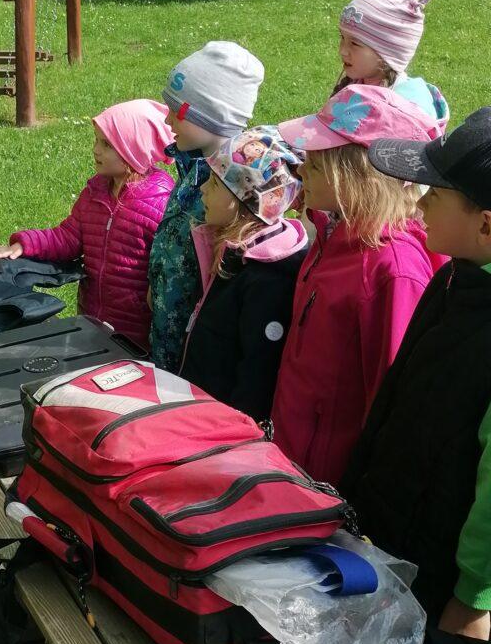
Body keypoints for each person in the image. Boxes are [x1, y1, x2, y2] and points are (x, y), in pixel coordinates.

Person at [343, 110, 491, 637]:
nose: (421, 201)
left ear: (486, 222)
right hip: (386, 538)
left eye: (437, 194)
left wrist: (473, 596)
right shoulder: (452, 278)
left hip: (444, 586)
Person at [270, 85, 437, 488]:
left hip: (330, 482)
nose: (300, 168)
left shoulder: (393, 271)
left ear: (355, 174)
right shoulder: (334, 233)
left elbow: (391, 400)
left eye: (315, 161)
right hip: (288, 457)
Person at [0, 99, 173, 350]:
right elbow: (68, 237)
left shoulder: (159, 204)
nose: (96, 150)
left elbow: (166, 270)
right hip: (91, 320)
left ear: (133, 151)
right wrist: (25, 243)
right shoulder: (95, 193)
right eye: (96, 140)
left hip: (136, 331)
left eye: (106, 144)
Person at [149, 41, 264, 371]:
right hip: (164, 332)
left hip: (197, 354)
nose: (167, 118)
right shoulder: (191, 166)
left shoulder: (230, 190)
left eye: (177, 110)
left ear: (214, 119)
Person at [180, 128, 307, 423]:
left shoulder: (269, 278)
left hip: (221, 430)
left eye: (214, 183)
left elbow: (257, 375)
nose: (202, 190)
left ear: (246, 199)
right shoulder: (233, 250)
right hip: (200, 411)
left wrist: (234, 435)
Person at [332, 0, 448, 134]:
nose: (342, 50)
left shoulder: (406, 110)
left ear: (389, 53)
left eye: (355, 43)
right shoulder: (358, 83)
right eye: (342, 38)